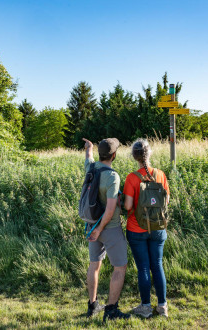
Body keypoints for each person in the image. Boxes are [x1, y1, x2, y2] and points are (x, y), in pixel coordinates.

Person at [82, 137, 130, 322]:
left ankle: (92, 306)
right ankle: (111, 310)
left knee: (94, 264)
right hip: (108, 228)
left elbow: (88, 158)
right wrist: (99, 229)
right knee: (120, 267)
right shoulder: (112, 176)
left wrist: (89, 148)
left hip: (91, 224)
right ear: (114, 155)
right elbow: (110, 210)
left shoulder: (91, 168)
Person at [123, 138, 170, 318]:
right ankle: (162, 306)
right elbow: (166, 201)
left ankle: (145, 307)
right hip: (158, 227)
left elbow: (128, 206)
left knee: (143, 267)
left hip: (137, 229)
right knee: (157, 265)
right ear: (149, 154)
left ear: (134, 157)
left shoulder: (132, 178)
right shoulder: (160, 174)